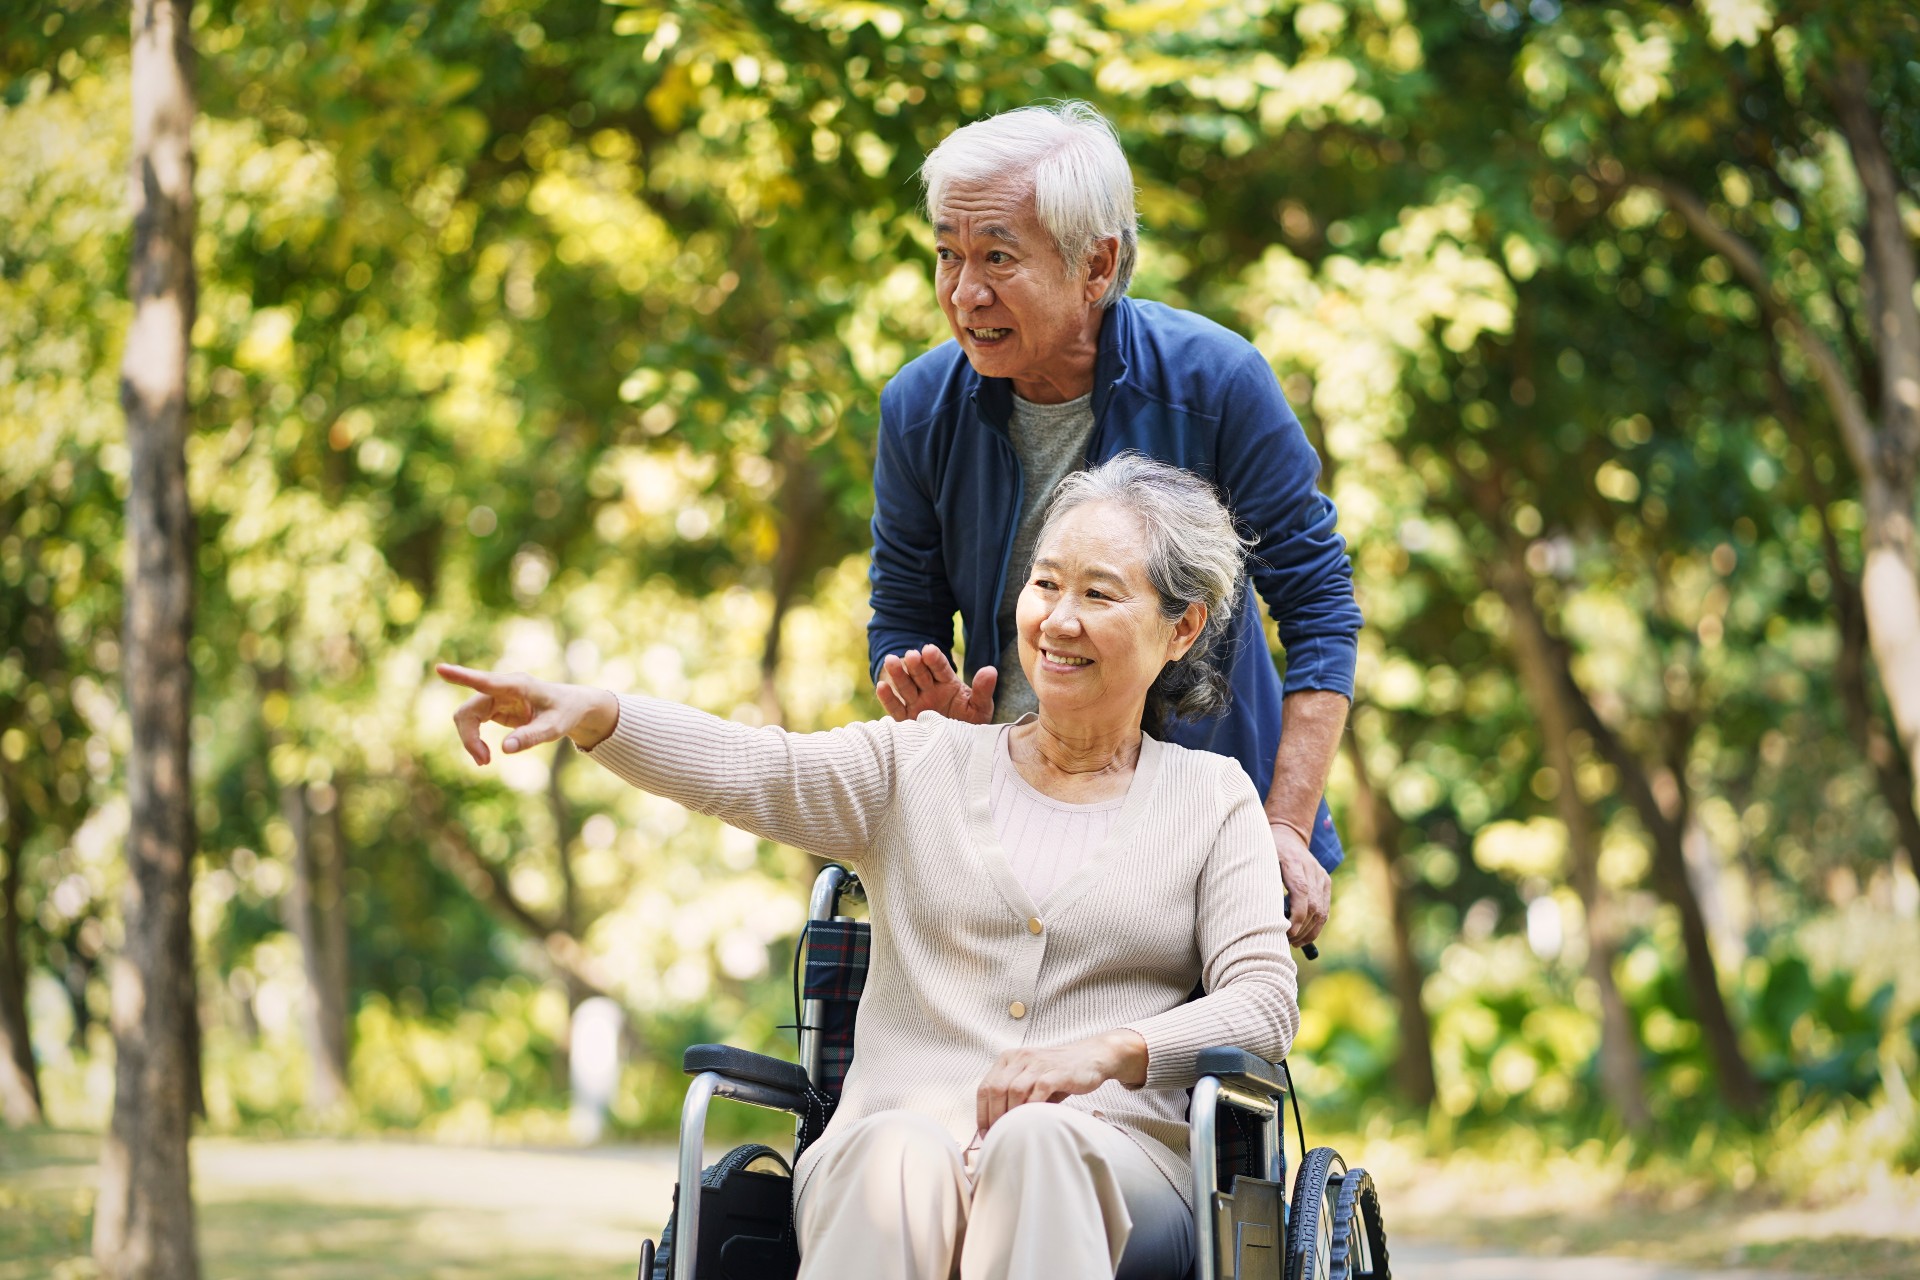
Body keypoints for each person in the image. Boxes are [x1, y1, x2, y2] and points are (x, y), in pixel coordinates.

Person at [439, 456, 1297, 1280]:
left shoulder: (1211, 797)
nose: (1058, 618)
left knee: (1038, 1142)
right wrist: (601, 716)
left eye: (1099, 593)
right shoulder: (920, 765)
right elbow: (754, 768)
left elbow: (1262, 1002)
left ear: (1181, 628)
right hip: (890, 1147)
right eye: (1045, 583)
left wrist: (1105, 1053)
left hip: (1115, 1167)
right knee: (900, 1154)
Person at [868, 101, 1362, 948]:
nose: (964, 292)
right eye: (947, 254)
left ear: (1095, 265)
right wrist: (932, 714)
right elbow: (903, 617)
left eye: (996, 256)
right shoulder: (918, 409)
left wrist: (1283, 825)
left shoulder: (1218, 383)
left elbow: (1320, 607)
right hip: (1009, 818)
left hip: (1198, 834)